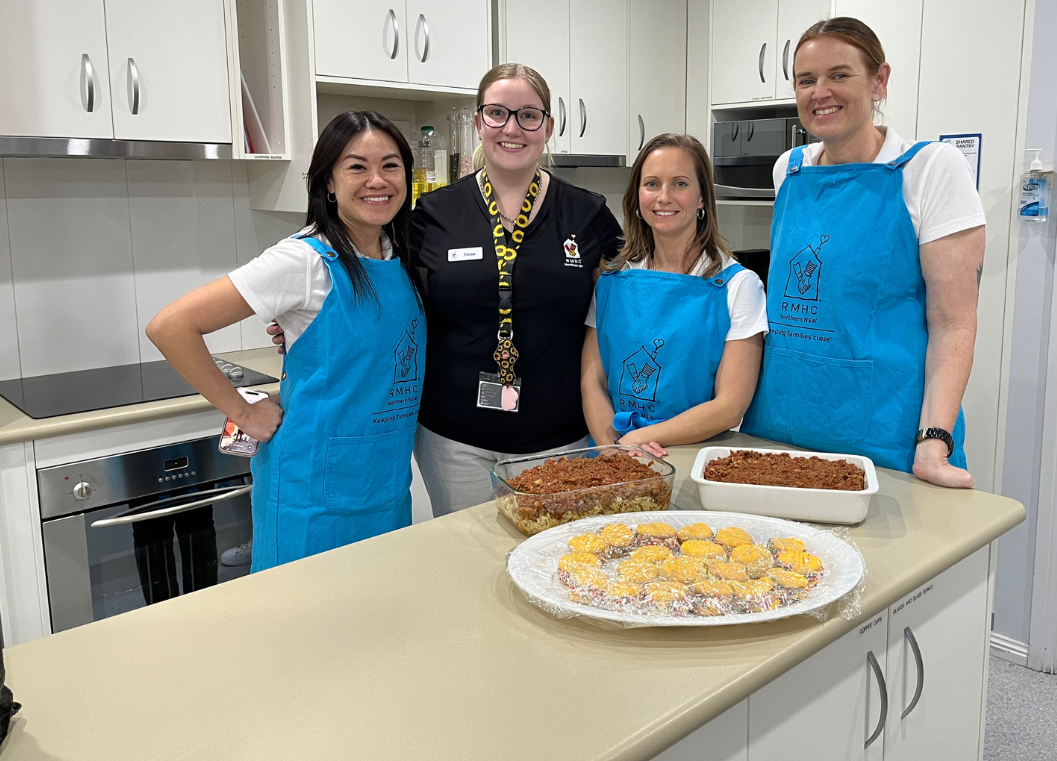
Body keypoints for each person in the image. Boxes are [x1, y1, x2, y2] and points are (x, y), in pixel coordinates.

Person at [147, 110, 425, 570]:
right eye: (357, 166)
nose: (377, 180)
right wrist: (241, 410)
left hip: (383, 481)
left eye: (390, 165)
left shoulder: (397, 253)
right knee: (305, 630)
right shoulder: (303, 260)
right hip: (312, 490)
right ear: (328, 183)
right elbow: (171, 327)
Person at [740, 17, 984, 489]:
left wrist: (934, 442)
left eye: (840, 75)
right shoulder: (788, 170)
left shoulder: (929, 169)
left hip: (883, 441)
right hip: (777, 433)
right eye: (806, 80)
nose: (820, 92)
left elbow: (955, 323)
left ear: (879, 81)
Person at [391, 64, 622, 516]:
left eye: (528, 115)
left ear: (549, 127)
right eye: (497, 113)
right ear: (479, 122)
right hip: (454, 442)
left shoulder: (586, 213)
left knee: (552, 569)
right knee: (466, 568)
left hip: (560, 443)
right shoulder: (434, 213)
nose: (512, 128)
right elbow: (386, 294)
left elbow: (643, 288)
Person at [582, 133, 766, 455]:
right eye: (651, 184)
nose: (663, 197)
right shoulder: (611, 282)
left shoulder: (739, 287)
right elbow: (592, 381)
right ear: (637, 197)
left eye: (680, 184)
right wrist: (613, 452)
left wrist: (638, 440)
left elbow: (730, 405)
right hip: (612, 454)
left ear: (702, 199)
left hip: (690, 456)